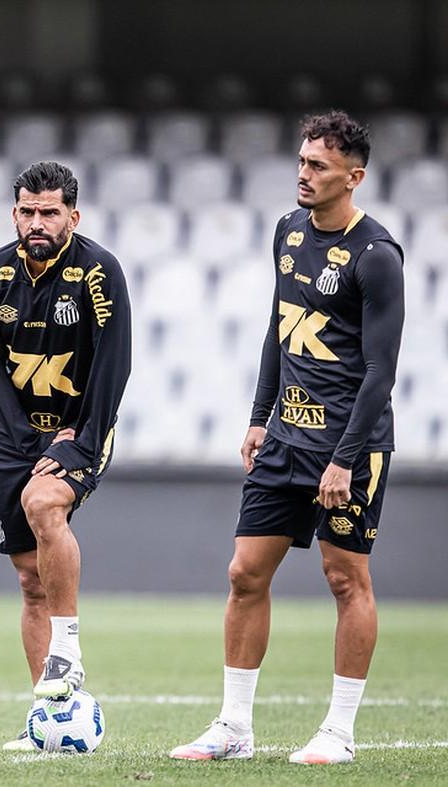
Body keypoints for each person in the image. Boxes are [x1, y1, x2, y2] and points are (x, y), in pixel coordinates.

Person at [170, 110, 404, 765]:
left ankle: (339, 731)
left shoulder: (377, 255)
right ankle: (234, 728)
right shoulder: (287, 231)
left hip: (349, 446)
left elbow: (382, 372)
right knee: (244, 574)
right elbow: (281, 327)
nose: (303, 175)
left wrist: (345, 459)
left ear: (353, 177)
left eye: (319, 167)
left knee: (344, 578)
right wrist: (257, 415)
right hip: (284, 440)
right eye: (302, 162)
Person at [0, 161, 131, 750]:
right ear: (15, 213)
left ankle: (67, 650)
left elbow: (116, 361)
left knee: (43, 504)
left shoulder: (97, 270)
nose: (37, 222)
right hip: (16, 434)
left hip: (80, 428)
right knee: (27, 580)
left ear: (73, 216)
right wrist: (19, 435)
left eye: (50, 212)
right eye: (28, 212)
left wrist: (82, 437)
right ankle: (49, 725)